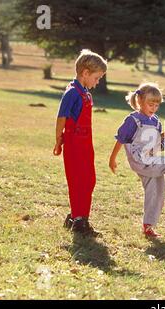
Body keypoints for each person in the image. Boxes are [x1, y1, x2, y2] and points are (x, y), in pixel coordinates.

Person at [109, 82, 165, 238]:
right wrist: (112, 158)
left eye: (157, 105)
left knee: (156, 191)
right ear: (140, 101)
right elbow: (121, 139)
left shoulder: (156, 121)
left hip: (151, 160)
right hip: (140, 160)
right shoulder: (133, 120)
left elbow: (155, 144)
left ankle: (148, 226)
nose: (154, 108)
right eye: (150, 104)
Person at [53, 49, 107, 237]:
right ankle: (79, 221)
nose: (97, 82)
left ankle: (77, 216)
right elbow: (61, 118)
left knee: (89, 180)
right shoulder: (72, 92)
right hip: (74, 144)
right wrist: (58, 140)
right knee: (78, 181)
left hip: (86, 144)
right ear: (85, 73)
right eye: (97, 77)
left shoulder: (85, 93)